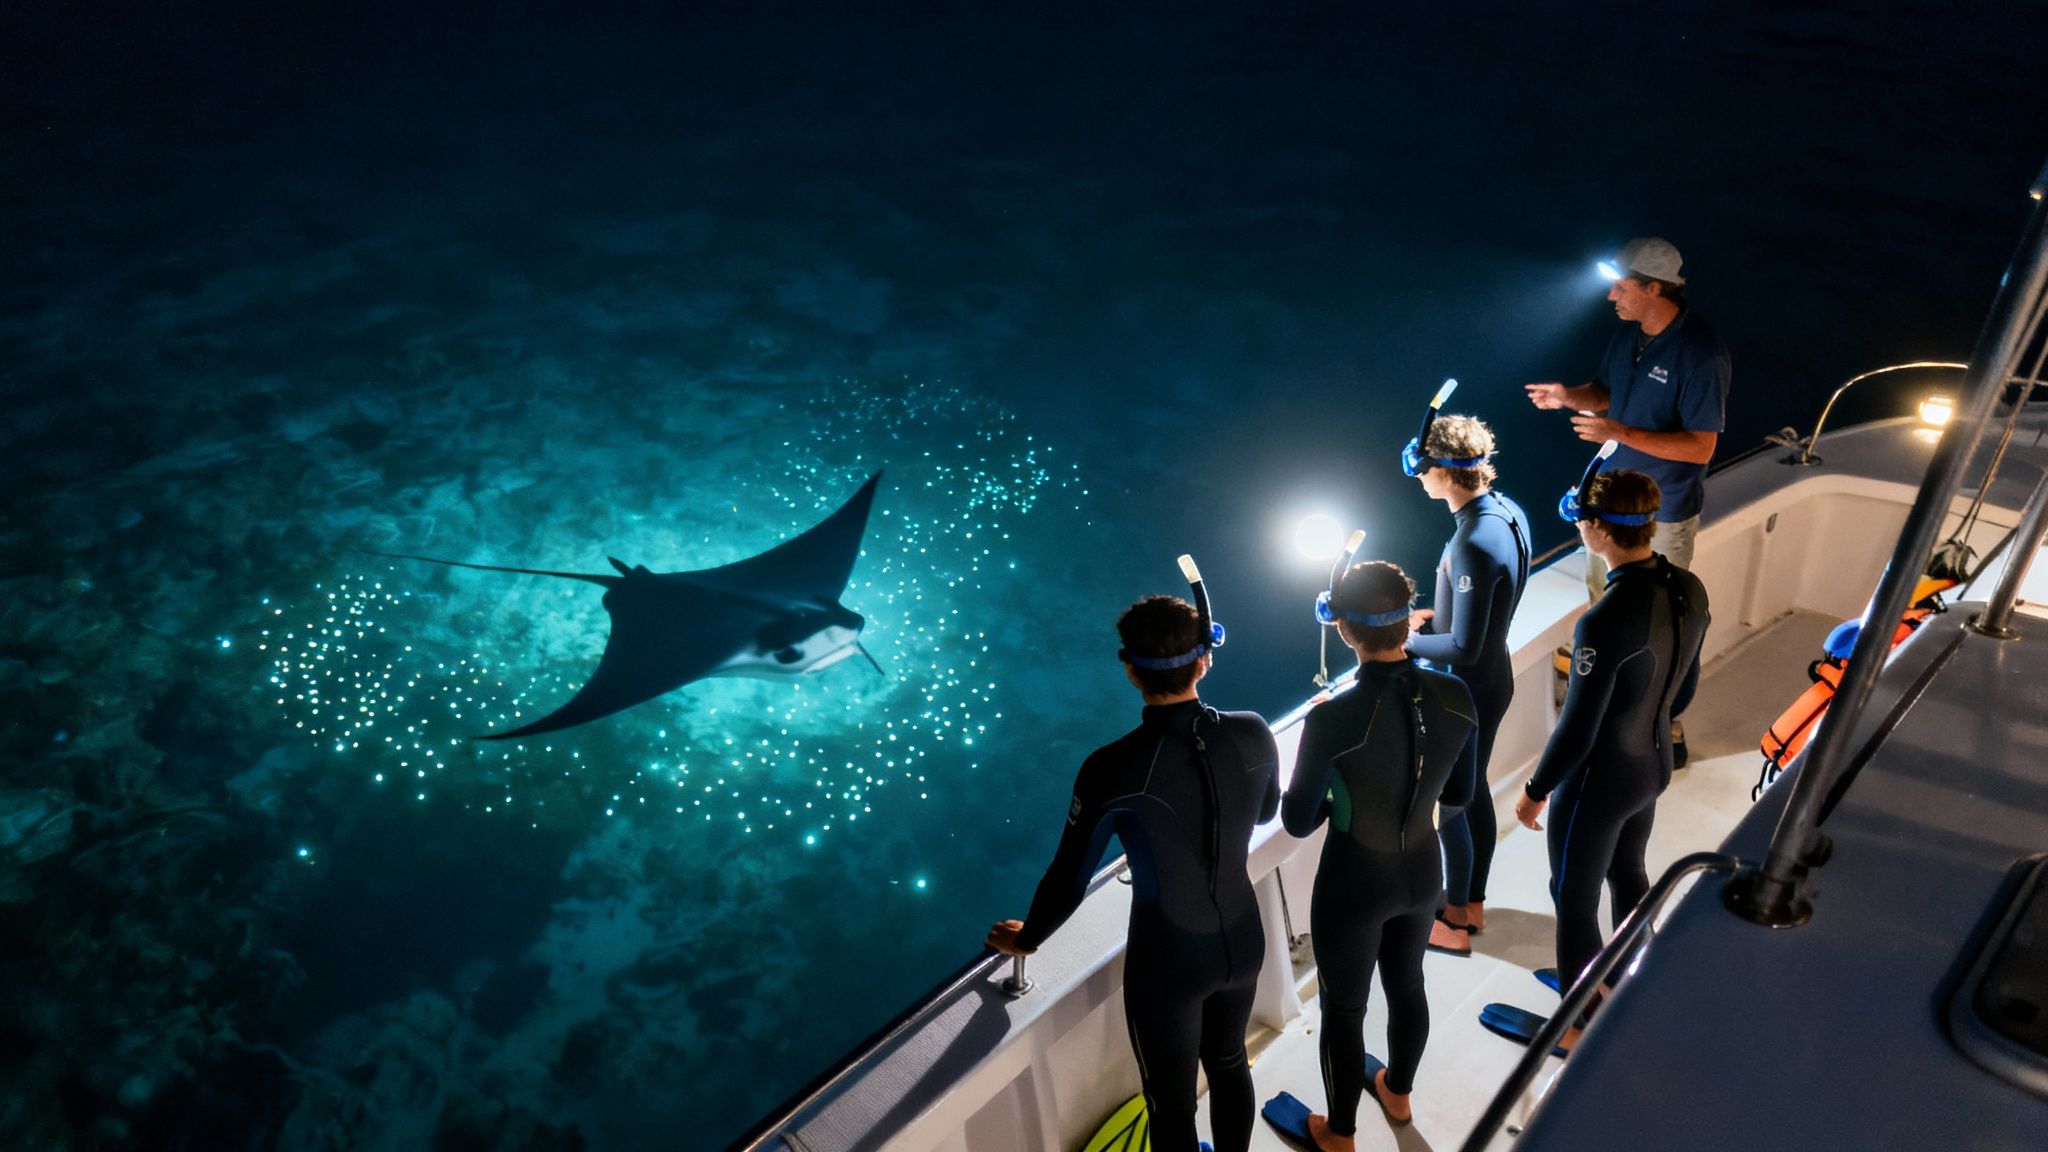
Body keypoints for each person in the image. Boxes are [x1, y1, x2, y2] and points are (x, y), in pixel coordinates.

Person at [987, 593, 1280, 1152]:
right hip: (1243, 940)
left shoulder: (1110, 767)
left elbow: (1069, 879)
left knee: (1170, 1101)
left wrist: (1029, 938)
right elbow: (1266, 811)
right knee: (1229, 1062)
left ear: (1129, 670)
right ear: (1205, 660)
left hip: (1169, 960)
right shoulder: (1253, 732)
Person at [1279, 561, 1477, 1149]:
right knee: (1407, 981)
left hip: (1354, 883)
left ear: (1344, 630)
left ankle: (1339, 1134)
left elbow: (1296, 820)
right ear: (1407, 622)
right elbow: (1461, 794)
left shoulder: (1332, 718)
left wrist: (1339, 788)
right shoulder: (1455, 692)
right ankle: (1398, 1091)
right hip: (1423, 871)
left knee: (1345, 1010)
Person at [1514, 468, 1709, 1052]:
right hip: (1652, 765)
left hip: (1601, 779)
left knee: (1572, 895)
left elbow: (1576, 730)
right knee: (1629, 874)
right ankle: (1630, 978)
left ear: (1598, 530)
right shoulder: (1688, 587)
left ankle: (1579, 1022)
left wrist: (1535, 788)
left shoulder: (1603, 619)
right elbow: (1686, 688)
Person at [1524, 236, 1731, 591]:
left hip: (1661, 516)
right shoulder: (1627, 336)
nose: (1610, 297)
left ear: (1653, 288)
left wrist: (1619, 433)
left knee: (1655, 612)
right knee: (1602, 600)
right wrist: (1566, 396)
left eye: (1621, 288)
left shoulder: (1702, 356)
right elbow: (1604, 392)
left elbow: (1700, 447)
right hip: (1607, 502)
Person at [1402, 414, 1531, 954]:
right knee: (1473, 791)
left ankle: (1452, 921)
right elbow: (1480, 621)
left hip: (1466, 689)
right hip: (1491, 678)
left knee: (1450, 804)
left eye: (1421, 468)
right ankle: (1470, 902)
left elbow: (1462, 648)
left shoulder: (1472, 541)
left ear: (1443, 472)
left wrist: (1397, 638)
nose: (1416, 477)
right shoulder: (1505, 512)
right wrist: (1437, 621)